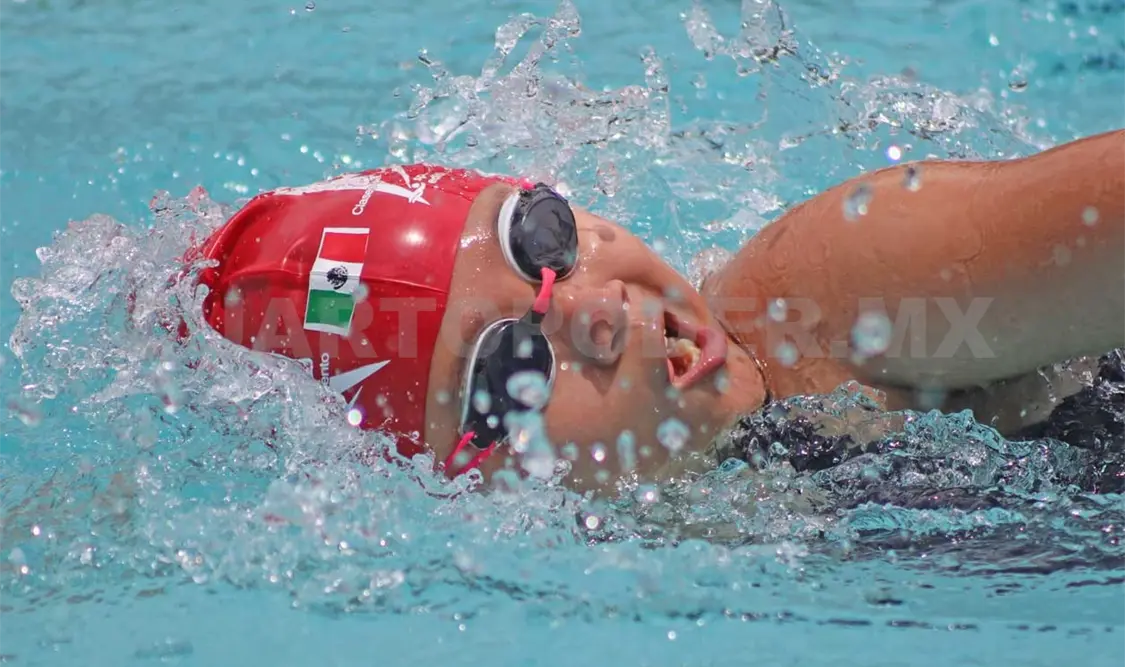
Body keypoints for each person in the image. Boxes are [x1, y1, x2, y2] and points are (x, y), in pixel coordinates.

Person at [185, 129, 1125, 494]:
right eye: (510, 367)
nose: (600, 311)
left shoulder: (842, 297)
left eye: (542, 238)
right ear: (467, 486)